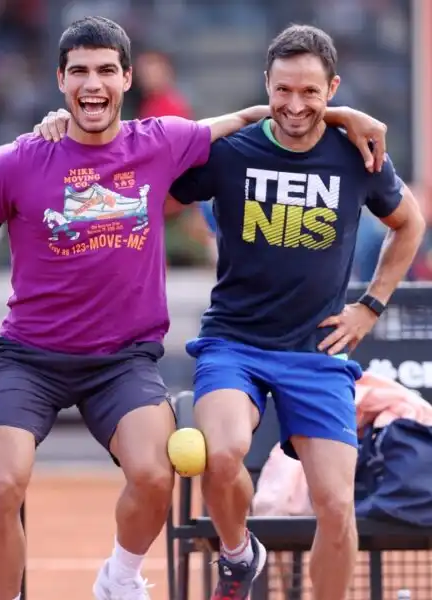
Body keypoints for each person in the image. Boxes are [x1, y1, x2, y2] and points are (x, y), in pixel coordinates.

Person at [0, 20, 386, 600]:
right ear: (60, 79)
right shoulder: (18, 160)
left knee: (158, 474)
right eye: (81, 72)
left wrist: (343, 117)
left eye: (106, 70)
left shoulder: (161, 140)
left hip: (127, 359)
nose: (94, 84)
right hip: (31, 355)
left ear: (127, 78)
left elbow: (262, 117)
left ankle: (120, 578)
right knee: (4, 483)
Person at [166, 25, 426, 600]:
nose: (295, 105)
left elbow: (409, 223)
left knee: (337, 506)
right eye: (283, 90)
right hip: (233, 343)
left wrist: (371, 306)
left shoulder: (357, 154)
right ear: (266, 86)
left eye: (311, 92)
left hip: (317, 352)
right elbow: (154, 197)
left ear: (332, 88)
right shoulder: (231, 153)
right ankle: (238, 557)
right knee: (225, 450)